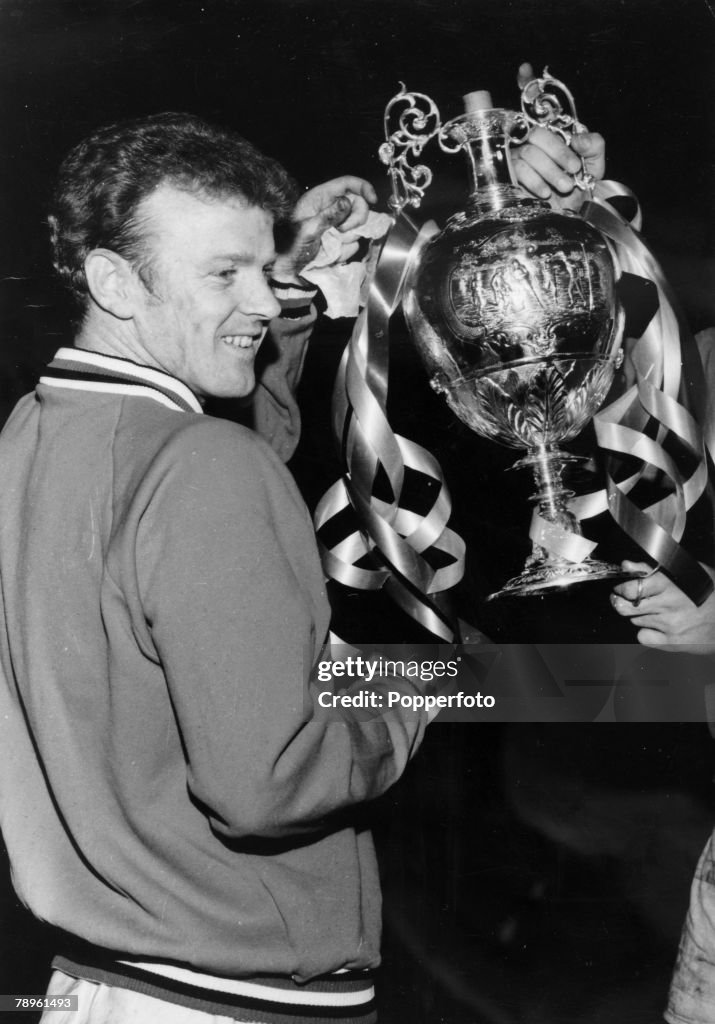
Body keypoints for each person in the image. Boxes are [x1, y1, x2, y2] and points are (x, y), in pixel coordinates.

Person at [0, 94, 606, 1024]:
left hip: (103, 977)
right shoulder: (203, 467)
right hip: (233, 995)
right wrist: (414, 686)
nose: (259, 296)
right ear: (115, 283)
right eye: (224, 274)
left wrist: (294, 289)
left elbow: (203, 452)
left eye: (261, 267)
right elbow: (269, 782)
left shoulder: (34, 436)